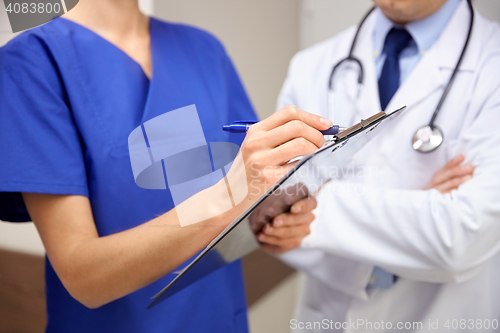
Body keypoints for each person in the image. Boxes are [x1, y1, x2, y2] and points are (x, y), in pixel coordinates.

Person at [0, 0, 329, 332]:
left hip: (218, 317)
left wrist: (271, 223)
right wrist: (227, 197)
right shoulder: (33, 62)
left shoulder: (205, 50)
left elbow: (242, 201)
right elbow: (82, 277)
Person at [272, 0, 500, 331]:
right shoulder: (312, 66)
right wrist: (422, 209)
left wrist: (312, 207)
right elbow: (271, 223)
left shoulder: (493, 64)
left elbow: (463, 235)